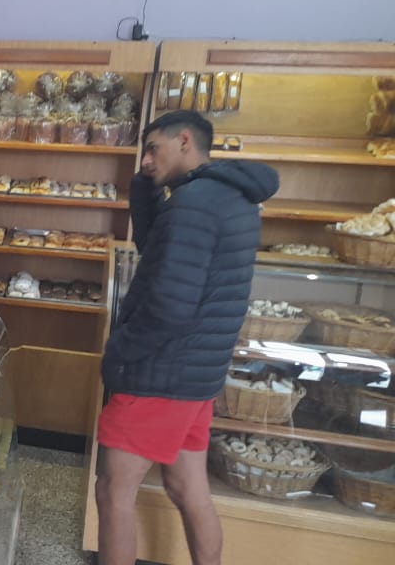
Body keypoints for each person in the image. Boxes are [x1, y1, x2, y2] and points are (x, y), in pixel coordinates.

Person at [95, 111, 278, 565]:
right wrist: (146, 188)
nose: (146, 160)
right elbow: (160, 250)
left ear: (183, 141)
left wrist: (119, 351)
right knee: (186, 486)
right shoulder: (228, 196)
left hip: (161, 374)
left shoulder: (192, 204)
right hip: (197, 375)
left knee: (114, 491)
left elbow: (169, 307)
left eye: (152, 149)